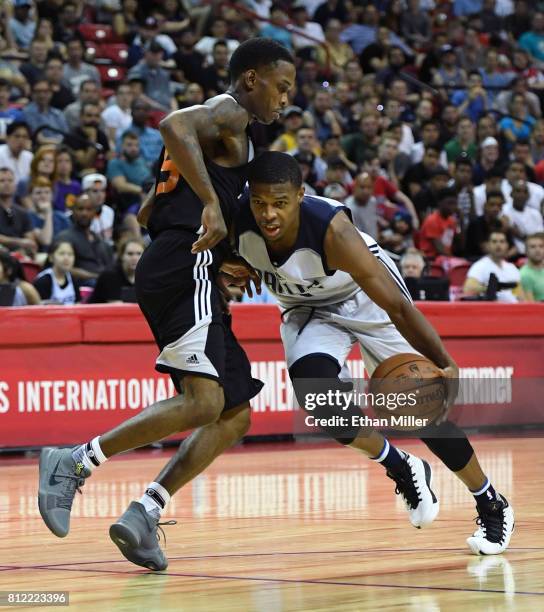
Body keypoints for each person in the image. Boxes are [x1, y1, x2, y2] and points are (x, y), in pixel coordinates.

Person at [38, 38, 296, 572]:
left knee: (233, 413)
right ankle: (74, 461)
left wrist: (224, 247)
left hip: (187, 261)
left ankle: (145, 511)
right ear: (252, 79)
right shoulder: (229, 112)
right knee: (203, 402)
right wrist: (208, 209)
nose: (286, 99)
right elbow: (172, 125)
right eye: (282, 85)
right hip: (185, 263)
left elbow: (148, 210)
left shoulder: (237, 138)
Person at [230, 151, 514, 555]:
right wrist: (234, 265)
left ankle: (490, 501)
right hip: (308, 308)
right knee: (323, 404)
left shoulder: (334, 233)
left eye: (280, 203)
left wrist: (445, 361)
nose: (268, 214)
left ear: (300, 195)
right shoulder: (236, 221)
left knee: (423, 410)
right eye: (260, 203)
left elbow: (399, 308)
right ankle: (402, 466)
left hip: (366, 297)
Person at [55, 194, 114, 281]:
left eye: (89, 209)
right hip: (81, 286)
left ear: (94, 213)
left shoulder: (101, 241)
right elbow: (60, 267)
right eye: (80, 209)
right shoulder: (64, 238)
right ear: (73, 211)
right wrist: (94, 277)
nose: (84, 213)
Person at [463, 230, 523, 303]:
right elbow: (468, 289)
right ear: (488, 245)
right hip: (493, 309)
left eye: (502, 241)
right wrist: (488, 288)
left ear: (507, 245)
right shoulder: (480, 266)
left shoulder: (512, 268)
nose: (498, 245)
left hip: (514, 309)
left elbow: (520, 293)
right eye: (494, 241)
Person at [89, 237, 144, 303]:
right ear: (121, 256)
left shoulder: (146, 276)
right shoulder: (110, 276)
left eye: (139, 254)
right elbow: (118, 309)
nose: (135, 258)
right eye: (130, 254)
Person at [32, 240, 80, 304]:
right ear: (51, 257)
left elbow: (78, 304)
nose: (66, 258)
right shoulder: (43, 281)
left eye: (70, 254)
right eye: (61, 253)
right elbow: (37, 307)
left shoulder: (73, 279)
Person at [520, 233, 544, 302]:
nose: (538, 250)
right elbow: (531, 305)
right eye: (533, 247)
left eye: (541, 246)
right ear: (526, 251)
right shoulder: (524, 275)